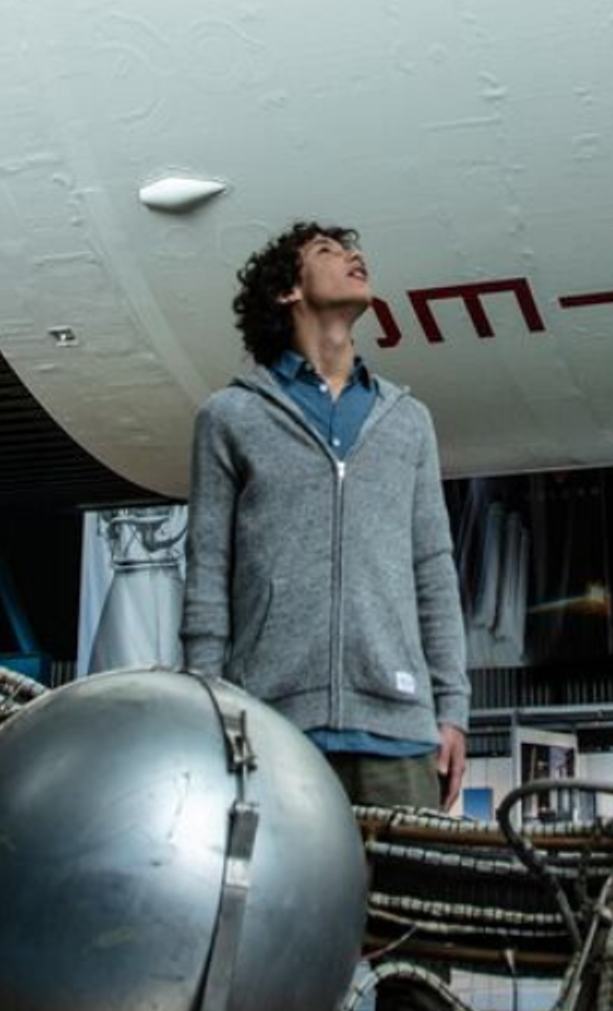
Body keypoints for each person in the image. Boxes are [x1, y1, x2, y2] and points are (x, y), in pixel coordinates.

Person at [181, 222, 471, 810]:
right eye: (326, 251)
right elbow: (208, 572)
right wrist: (210, 705)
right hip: (268, 728)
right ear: (288, 290)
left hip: (400, 730)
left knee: (409, 879)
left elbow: (434, 571)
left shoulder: (408, 421)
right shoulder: (230, 417)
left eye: (351, 249)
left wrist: (453, 711)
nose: (352, 256)